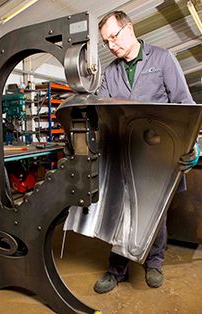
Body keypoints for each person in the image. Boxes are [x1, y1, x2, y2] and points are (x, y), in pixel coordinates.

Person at [94, 10, 200, 294]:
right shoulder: (111, 72)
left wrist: (193, 146)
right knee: (120, 212)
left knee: (155, 213)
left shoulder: (163, 59)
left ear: (130, 28)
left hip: (159, 157)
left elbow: (185, 106)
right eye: (106, 42)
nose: (111, 45)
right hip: (126, 157)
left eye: (114, 36)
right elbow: (104, 113)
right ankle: (117, 269)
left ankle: (154, 263)